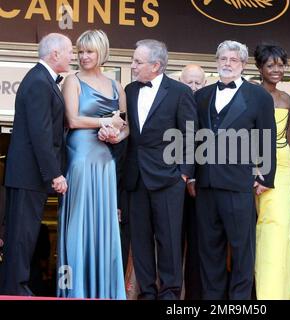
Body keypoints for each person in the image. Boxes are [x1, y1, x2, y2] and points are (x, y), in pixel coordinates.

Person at [193, 40, 276, 300]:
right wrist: (192, 175)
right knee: (209, 251)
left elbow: (267, 136)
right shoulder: (201, 95)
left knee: (242, 250)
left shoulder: (258, 95)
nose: (227, 64)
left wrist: (266, 175)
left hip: (239, 183)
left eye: (233, 60)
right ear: (217, 62)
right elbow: (193, 137)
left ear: (243, 64)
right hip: (205, 185)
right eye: (223, 59)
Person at [123, 39, 197, 300]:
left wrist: (184, 173)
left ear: (156, 65)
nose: (132, 66)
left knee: (169, 241)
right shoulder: (130, 91)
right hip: (136, 178)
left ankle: (169, 294)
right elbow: (129, 133)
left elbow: (190, 135)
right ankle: (147, 294)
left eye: (137, 62)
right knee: (140, 240)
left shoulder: (179, 92)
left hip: (169, 178)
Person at [56, 29, 127, 299]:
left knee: (104, 228)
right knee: (77, 225)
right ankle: (74, 291)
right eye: (80, 51)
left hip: (105, 162)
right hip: (80, 159)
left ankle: (105, 292)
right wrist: (107, 122)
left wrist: (116, 135)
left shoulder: (116, 86)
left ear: (102, 53)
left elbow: (126, 126)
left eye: (90, 51)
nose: (84, 57)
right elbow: (72, 120)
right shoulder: (72, 81)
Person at [0, 33, 73, 296]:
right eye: (69, 52)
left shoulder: (40, 80)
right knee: (22, 234)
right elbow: (40, 133)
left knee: (24, 233)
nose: (72, 56)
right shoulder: (40, 82)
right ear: (55, 54)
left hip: (27, 174)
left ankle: (15, 285)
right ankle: (15, 288)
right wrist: (54, 173)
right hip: (28, 175)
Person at [253, 43, 290, 300]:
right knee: (265, 226)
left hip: (284, 167)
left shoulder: (287, 98)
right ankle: (267, 293)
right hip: (260, 166)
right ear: (260, 67)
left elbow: (289, 138)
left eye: (280, 65)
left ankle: (283, 292)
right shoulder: (252, 95)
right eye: (271, 65)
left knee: (281, 229)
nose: (277, 70)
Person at [179, 63, 206, 300]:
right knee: (172, 245)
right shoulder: (175, 100)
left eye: (199, 82)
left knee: (199, 246)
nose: (194, 87)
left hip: (203, 188)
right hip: (176, 183)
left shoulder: (209, 104)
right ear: (181, 81)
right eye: (190, 82)